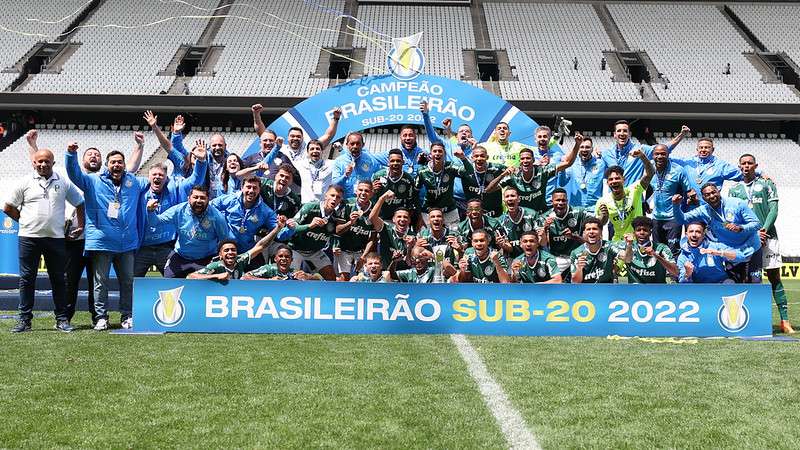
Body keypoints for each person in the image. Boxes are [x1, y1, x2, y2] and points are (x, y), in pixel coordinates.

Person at [66, 143, 150, 331]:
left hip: (127, 243)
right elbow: (74, 175)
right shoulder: (93, 180)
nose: (117, 165)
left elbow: (156, 181)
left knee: (127, 282)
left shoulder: (134, 182)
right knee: (100, 283)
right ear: (107, 165)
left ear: (124, 165)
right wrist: (71, 155)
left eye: (120, 162)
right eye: (113, 162)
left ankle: (127, 316)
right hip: (102, 242)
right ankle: (101, 317)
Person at [5, 148, 84, 332]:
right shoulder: (24, 182)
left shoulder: (63, 181)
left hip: (55, 239)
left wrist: (81, 226)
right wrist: (24, 220)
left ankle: (62, 319)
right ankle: (24, 320)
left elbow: (79, 202)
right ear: (33, 163)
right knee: (26, 279)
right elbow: (8, 207)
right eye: (39, 161)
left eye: (46, 161)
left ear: (53, 163)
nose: (42, 164)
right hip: (28, 238)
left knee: (58, 279)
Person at [25, 130, 99, 324]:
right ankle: (65, 317)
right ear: (80, 161)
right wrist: (33, 145)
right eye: (89, 154)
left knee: (96, 282)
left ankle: (98, 317)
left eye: (97, 154)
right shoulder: (69, 178)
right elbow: (40, 163)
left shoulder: (103, 180)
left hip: (94, 240)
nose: (94, 156)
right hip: (72, 239)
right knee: (68, 281)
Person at [728, 154, 794, 333]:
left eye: (750, 163)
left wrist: (763, 230)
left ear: (756, 165)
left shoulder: (767, 184)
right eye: (743, 163)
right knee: (747, 278)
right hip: (745, 240)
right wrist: (752, 232)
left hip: (768, 236)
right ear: (739, 166)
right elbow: (733, 216)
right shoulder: (734, 189)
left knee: (774, 278)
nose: (746, 166)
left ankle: (784, 320)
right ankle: (749, 319)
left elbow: (774, 209)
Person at [135, 147, 207, 278]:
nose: (157, 177)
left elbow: (195, 180)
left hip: (166, 247)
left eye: (161, 175)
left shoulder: (175, 189)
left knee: (174, 281)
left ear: (166, 178)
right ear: (148, 177)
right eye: (154, 175)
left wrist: (201, 162)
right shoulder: (140, 192)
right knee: (132, 282)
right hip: (143, 248)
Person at [672, 183, 762, 283]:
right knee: (736, 285)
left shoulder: (737, 204)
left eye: (713, 192)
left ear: (719, 191)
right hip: (729, 251)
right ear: (703, 198)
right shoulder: (703, 211)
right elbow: (682, 219)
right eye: (707, 195)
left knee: (755, 283)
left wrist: (741, 228)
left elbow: (757, 224)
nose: (711, 196)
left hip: (751, 248)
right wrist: (676, 206)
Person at [146, 185, 233, 279]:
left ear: (208, 199)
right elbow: (155, 223)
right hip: (180, 256)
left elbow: (224, 241)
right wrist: (150, 211)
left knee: (204, 289)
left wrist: (221, 261)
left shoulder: (217, 217)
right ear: (188, 198)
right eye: (195, 197)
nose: (199, 201)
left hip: (206, 259)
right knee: (169, 284)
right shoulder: (178, 211)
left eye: (203, 198)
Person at [486, 134, 580, 214]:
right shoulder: (513, 176)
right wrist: (503, 175)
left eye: (528, 158)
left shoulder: (543, 171)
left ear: (533, 160)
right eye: (522, 159)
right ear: (519, 161)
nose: (525, 161)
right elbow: (489, 189)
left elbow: (568, 163)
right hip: (521, 217)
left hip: (540, 215)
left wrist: (577, 144)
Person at [210, 176, 284, 269]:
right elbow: (210, 207)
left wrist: (289, 228)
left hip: (247, 251)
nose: (251, 190)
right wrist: (219, 221)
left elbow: (280, 234)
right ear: (242, 188)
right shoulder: (229, 200)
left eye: (255, 188)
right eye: (248, 187)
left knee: (257, 275)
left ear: (259, 190)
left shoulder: (266, 211)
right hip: (227, 249)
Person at [188, 216, 286, 281]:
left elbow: (260, 246)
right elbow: (190, 277)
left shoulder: (240, 260)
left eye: (233, 250)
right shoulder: (215, 266)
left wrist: (277, 229)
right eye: (226, 250)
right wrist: (216, 276)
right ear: (220, 255)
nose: (230, 252)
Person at [281, 185, 344, 280]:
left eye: (338, 197)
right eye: (332, 195)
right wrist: (310, 226)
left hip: (316, 252)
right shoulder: (310, 207)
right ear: (326, 195)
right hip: (296, 249)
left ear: (340, 200)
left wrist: (336, 245)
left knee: (331, 277)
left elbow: (335, 235)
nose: (334, 199)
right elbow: (293, 227)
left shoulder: (336, 216)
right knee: (293, 278)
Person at [600, 121, 688, 188]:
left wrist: (681, 135)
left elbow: (664, 148)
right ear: (614, 135)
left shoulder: (641, 150)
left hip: (634, 200)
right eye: (619, 131)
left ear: (629, 134)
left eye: (625, 131)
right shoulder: (606, 154)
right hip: (614, 200)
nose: (622, 133)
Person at [252, 103, 341, 167]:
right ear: (288, 138)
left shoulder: (309, 149)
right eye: (292, 136)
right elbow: (262, 133)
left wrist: (336, 118)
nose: (295, 138)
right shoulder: (280, 148)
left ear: (302, 138)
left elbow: (328, 136)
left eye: (298, 136)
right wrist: (256, 115)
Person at [595, 148, 654, 241]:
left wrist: (642, 156)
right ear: (607, 183)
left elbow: (650, 174)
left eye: (617, 178)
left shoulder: (635, 190)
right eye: (611, 179)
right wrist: (603, 216)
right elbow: (600, 224)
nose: (614, 181)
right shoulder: (603, 201)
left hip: (637, 240)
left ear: (624, 180)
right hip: (618, 241)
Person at [538, 188, 592, 281]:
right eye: (557, 200)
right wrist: (545, 228)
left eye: (563, 200)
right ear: (552, 201)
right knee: (548, 278)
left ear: (567, 201)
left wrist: (573, 236)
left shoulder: (580, 213)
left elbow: (592, 237)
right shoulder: (544, 218)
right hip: (558, 258)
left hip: (579, 255)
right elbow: (542, 244)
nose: (560, 203)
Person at [649, 144, 692, 257]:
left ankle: (674, 275)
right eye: (657, 154)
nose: (660, 156)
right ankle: (659, 274)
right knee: (658, 251)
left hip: (674, 218)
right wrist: (645, 202)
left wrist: (690, 199)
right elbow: (647, 188)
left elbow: (688, 191)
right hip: (656, 218)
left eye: (663, 154)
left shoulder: (678, 170)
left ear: (668, 155)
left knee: (673, 251)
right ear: (652, 155)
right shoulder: (649, 169)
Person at [415, 142, 473, 227]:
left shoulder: (451, 167)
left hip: (449, 210)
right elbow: (415, 192)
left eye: (440, 151)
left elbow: (469, 172)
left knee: (454, 237)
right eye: (435, 151)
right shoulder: (422, 171)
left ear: (444, 154)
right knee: (427, 238)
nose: (437, 153)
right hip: (429, 211)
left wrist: (463, 158)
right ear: (431, 154)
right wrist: (419, 214)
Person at [333, 180, 377, 281]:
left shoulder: (375, 209)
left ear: (371, 193)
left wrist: (363, 257)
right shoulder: (346, 204)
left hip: (361, 252)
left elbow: (373, 238)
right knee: (343, 280)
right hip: (344, 249)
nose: (363, 193)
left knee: (362, 280)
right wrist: (350, 223)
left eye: (366, 191)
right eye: (360, 190)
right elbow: (338, 230)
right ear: (356, 191)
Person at [677, 222, 747, 283]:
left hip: (722, 283)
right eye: (691, 231)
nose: (694, 235)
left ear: (703, 234)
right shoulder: (683, 256)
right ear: (686, 234)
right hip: (701, 288)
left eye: (698, 232)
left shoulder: (715, 246)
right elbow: (682, 284)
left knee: (730, 283)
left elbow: (742, 257)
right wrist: (687, 273)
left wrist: (720, 253)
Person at [670, 137, 745, 192]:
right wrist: (681, 135)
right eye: (701, 147)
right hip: (689, 206)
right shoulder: (687, 162)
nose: (703, 150)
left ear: (713, 150)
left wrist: (755, 174)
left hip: (711, 207)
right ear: (697, 149)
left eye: (707, 147)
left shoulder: (721, 166)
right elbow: (664, 154)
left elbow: (744, 175)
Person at [621, 217, 678, 284]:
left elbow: (675, 272)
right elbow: (627, 260)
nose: (642, 233)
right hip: (635, 291)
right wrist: (629, 245)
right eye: (638, 230)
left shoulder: (662, 248)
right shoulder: (628, 247)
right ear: (634, 233)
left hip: (657, 291)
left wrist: (656, 255)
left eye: (645, 230)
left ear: (650, 233)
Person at [570, 217, 628, 283]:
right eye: (588, 229)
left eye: (594, 229)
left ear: (601, 232)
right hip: (586, 290)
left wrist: (629, 245)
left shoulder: (609, 246)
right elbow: (575, 283)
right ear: (583, 233)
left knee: (623, 280)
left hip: (607, 288)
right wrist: (579, 268)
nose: (591, 232)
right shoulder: (576, 253)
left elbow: (627, 258)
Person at [369, 190, 416, 269]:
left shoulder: (413, 237)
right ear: (393, 219)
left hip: (404, 276)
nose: (402, 219)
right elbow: (372, 218)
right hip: (385, 273)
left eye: (405, 217)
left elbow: (410, 263)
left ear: (409, 221)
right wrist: (382, 198)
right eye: (399, 216)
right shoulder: (386, 229)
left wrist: (410, 248)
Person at [557, 136, 606, 212]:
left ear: (592, 149)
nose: (584, 149)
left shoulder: (601, 164)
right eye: (581, 147)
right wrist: (563, 166)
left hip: (594, 208)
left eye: (587, 147)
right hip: (576, 208)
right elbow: (562, 183)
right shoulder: (572, 163)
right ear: (578, 149)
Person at [458, 145, 506, 217]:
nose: (479, 158)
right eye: (476, 156)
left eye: (482, 156)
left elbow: (513, 174)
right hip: (474, 214)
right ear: (472, 158)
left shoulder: (498, 169)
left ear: (487, 157)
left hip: (495, 213)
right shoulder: (464, 170)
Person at [332, 132, 383, 199]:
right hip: (346, 201)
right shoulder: (339, 161)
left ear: (363, 145)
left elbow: (381, 172)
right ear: (347, 145)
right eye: (352, 144)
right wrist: (345, 175)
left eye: (358, 143)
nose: (355, 146)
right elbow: (334, 184)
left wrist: (374, 184)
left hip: (365, 200)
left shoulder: (370, 159)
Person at [372, 148, 418, 221]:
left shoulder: (409, 179)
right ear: (388, 162)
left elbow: (411, 201)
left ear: (403, 162)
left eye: (398, 161)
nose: (395, 163)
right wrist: (373, 191)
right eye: (392, 161)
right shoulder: (378, 176)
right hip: (380, 218)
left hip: (399, 220)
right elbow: (372, 199)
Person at [494, 186, 538, 258]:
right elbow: (510, 249)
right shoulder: (500, 221)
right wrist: (503, 245)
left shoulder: (532, 215)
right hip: (512, 258)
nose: (510, 198)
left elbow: (541, 241)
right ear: (504, 201)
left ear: (518, 199)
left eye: (512, 196)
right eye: (507, 196)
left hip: (532, 256)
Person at [243, 244, 322, 280]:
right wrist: (269, 281)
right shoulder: (268, 269)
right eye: (280, 256)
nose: (283, 259)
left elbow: (319, 278)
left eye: (287, 257)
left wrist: (308, 277)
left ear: (291, 260)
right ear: (275, 259)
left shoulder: (294, 273)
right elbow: (245, 277)